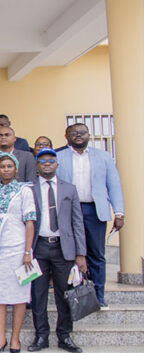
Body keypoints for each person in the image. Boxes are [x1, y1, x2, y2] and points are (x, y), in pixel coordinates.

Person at [56, 123, 123, 308]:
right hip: (68, 211)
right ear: (67, 136)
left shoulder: (103, 156)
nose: (78, 135)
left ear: (89, 135)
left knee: (96, 254)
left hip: (94, 210)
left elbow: (114, 185)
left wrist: (119, 212)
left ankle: (98, 296)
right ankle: (73, 296)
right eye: (74, 133)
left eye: (82, 132)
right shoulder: (59, 157)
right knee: (69, 253)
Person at [29, 148, 87, 353]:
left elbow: (77, 222)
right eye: (42, 160)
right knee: (38, 294)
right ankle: (41, 335)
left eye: (51, 160)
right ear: (37, 165)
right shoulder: (29, 188)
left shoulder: (69, 189)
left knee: (65, 293)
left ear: (57, 164)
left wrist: (81, 253)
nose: (47, 163)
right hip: (38, 247)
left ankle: (64, 335)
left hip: (63, 248)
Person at [0, 153, 36, 353]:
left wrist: (27, 251)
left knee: (19, 295)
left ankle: (15, 337)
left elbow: (30, 222)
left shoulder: (25, 190)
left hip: (18, 248)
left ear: (15, 169)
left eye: (9, 166)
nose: (6, 169)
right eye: (2, 166)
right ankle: (1, 338)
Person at [0, 126, 37, 190]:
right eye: (0, 135)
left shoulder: (27, 156)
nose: (3, 137)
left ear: (14, 139)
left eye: (7, 135)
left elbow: (31, 182)